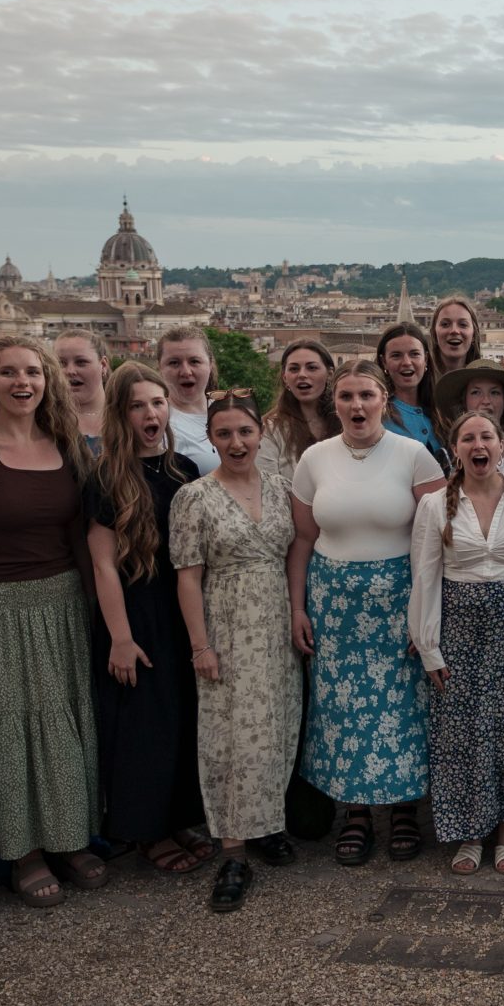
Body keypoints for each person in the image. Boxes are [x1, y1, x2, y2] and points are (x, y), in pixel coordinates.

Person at [0, 334, 105, 906]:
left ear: (47, 380)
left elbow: (81, 537)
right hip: (0, 604)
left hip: (62, 602)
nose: (21, 382)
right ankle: (26, 850)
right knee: (14, 728)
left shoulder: (68, 445)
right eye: (8, 372)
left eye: (31, 371)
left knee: (66, 723)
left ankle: (70, 836)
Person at [290, 362, 446, 867]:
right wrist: (297, 607)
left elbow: (437, 541)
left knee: (403, 705)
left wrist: (426, 612)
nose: (357, 407)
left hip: (399, 597)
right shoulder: (314, 459)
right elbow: (303, 541)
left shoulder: (415, 456)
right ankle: (355, 813)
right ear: (334, 403)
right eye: (347, 397)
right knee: (340, 709)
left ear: (385, 400)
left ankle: (403, 811)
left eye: (367, 396)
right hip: (333, 602)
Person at [411, 411, 504, 877]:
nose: (478, 445)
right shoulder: (436, 505)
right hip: (458, 627)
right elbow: (425, 578)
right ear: (455, 449)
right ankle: (469, 833)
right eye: (467, 437)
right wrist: (429, 646)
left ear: (501, 446)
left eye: (487, 437)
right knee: (462, 731)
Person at [174, 392, 302, 910]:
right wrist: (199, 644)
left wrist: (297, 613)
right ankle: (232, 850)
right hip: (227, 624)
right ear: (210, 438)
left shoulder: (282, 488)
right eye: (224, 433)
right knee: (229, 736)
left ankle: (267, 823)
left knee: (275, 727)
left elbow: (296, 553)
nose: (236, 442)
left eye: (245, 432)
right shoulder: (195, 498)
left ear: (260, 435)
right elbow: (187, 578)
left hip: (275, 623)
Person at [83, 363, 208, 877]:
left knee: (181, 720)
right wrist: (120, 638)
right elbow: (102, 566)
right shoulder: (107, 476)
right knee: (143, 728)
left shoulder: (185, 470)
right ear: (120, 414)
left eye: (157, 403)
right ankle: (146, 832)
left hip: (182, 609)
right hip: (135, 613)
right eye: (138, 405)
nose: (150, 413)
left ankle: (177, 819)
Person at [261, 336, 338, 468]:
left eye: (312, 368)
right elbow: (265, 483)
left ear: (329, 374)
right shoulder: (269, 430)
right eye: (294, 369)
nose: (302, 374)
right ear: (285, 378)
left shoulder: (346, 422)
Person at [376, 320, 447, 459]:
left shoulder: (443, 409)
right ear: (384, 361)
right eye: (396, 355)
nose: (407, 362)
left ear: (425, 359)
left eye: (414, 354)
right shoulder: (376, 414)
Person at [157, 324, 221, 473]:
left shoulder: (231, 411)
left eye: (194, 361)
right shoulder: (158, 423)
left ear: (210, 365)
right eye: (174, 363)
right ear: (160, 368)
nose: (186, 372)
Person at [432, 358, 504, 454]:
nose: (486, 401)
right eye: (476, 392)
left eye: (494, 392)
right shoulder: (448, 452)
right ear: (464, 400)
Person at [52, 331, 110, 447]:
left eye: (81, 362)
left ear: (103, 365)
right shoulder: (41, 421)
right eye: (61, 363)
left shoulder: (127, 416)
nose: (70, 371)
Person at [429, 297, 483, 381]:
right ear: (434, 334)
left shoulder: (486, 382)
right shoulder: (419, 383)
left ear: (474, 335)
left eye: (463, 324)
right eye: (445, 324)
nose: (454, 330)